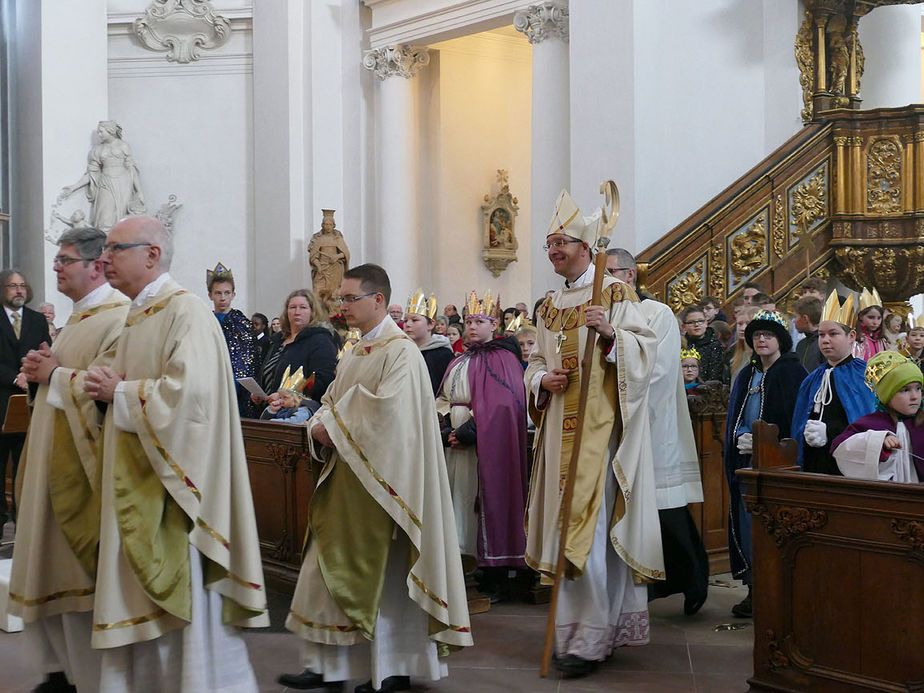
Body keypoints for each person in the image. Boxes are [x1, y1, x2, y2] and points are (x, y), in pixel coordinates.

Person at [77, 216, 268, 689]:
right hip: (137, 481)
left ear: (152, 255)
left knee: (187, 630)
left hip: (175, 490)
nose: (104, 259)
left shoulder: (186, 313)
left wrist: (121, 393)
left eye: (116, 249)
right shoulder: (136, 314)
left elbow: (193, 401)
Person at [280, 263, 472, 692]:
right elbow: (333, 398)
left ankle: (391, 667)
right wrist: (313, 415)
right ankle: (328, 666)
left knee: (382, 581)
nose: (342, 306)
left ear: (378, 300)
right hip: (347, 478)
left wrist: (333, 424)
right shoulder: (357, 349)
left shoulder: (400, 351)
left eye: (350, 299)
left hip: (386, 486)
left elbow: (389, 414)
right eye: (341, 299)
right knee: (326, 569)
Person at [525, 190, 662, 678]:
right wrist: (542, 380)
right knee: (570, 531)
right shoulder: (547, 307)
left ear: (587, 247)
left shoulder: (617, 295)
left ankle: (589, 639)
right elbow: (536, 359)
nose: (553, 250)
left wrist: (610, 336)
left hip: (597, 436)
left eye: (561, 241)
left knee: (590, 531)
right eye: (548, 244)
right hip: (559, 428)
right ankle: (578, 634)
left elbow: (647, 356)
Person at [11, 228, 130, 692]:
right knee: (48, 570)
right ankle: (59, 670)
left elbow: (108, 389)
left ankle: (88, 679)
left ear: (95, 265)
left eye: (64, 260)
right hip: (50, 459)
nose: (55, 268)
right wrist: (43, 372)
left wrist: (54, 373)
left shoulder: (118, 317)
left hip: (81, 471)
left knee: (77, 579)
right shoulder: (79, 318)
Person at [605, 247, 708, 616]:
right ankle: (646, 581)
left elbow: (662, 371)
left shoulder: (657, 313)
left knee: (666, 509)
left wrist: (624, 407)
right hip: (612, 427)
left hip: (650, 423)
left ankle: (695, 580)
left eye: (610, 272)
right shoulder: (602, 314)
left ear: (629, 276)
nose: (603, 281)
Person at [436, 291, 529, 600]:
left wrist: (469, 431)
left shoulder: (503, 358)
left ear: (493, 326)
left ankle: (493, 575)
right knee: (458, 502)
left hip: (481, 447)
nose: (472, 327)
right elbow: (443, 399)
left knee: (483, 503)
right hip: (455, 446)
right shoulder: (459, 359)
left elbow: (503, 404)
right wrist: (447, 427)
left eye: (480, 321)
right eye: (469, 321)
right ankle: (464, 565)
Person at [725, 310, 806, 618]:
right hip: (747, 463)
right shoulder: (747, 374)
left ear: (780, 340)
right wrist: (742, 435)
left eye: (768, 335)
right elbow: (737, 417)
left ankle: (779, 591)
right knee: (748, 526)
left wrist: (765, 442)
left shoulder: (792, 373)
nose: (761, 339)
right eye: (756, 335)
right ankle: (754, 588)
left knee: (775, 527)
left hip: (777, 466)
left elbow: (793, 421)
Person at [792, 291, 876, 475]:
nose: (826, 340)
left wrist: (830, 432)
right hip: (814, 460)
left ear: (851, 336)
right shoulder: (812, 378)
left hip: (845, 464)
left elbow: (866, 422)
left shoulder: (864, 375)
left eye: (833, 334)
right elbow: (800, 420)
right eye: (821, 335)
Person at [0, 268, 51, 527]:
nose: (19, 290)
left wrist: (29, 376)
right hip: (1, 401)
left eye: (22, 285)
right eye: (12, 286)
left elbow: (46, 352)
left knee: (25, 468)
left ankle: (24, 524)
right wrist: (15, 377)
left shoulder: (36, 320)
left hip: (29, 403)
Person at [832, 351, 924, 482]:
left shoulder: (922, 422)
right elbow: (841, 448)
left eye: (918, 388)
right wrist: (877, 440)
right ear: (887, 395)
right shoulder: (872, 423)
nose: (915, 396)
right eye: (905, 390)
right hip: (885, 496)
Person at [59, 120, 146, 230]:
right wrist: (73, 187)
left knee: (122, 218)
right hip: (105, 183)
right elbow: (91, 173)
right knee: (104, 217)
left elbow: (131, 169)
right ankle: (103, 245)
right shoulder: (97, 149)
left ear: (111, 130)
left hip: (124, 184)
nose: (99, 134)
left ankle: (119, 243)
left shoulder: (123, 146)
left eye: (101, 132)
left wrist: (139, 192)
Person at [260, 289, 338, 411]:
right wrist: (260, 395)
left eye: (303, 307)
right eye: (292, 307)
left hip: (296, 414)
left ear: (313, 312)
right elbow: (268, 373)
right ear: (286, 312)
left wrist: (285, 397)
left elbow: (324, 382)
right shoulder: (277, 341)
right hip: (267, 411)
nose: (297, 312)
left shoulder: (320, 340)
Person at [208, 263, 258, 418]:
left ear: (233, 295)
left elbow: (250, 360)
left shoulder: (242, 324)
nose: (222, 297)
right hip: (209, 382)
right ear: (210, 295)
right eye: (218, 293)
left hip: (235, 387)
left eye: (226, 293)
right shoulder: (205, 320)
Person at [404, 290, 454, 396]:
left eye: (414, 320)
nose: (407, 324)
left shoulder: (443, 354)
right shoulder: (403, 351)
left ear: (431, 324)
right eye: (405, 320)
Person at [307, 212, 350, 318]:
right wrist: (318, 265)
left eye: (330, 224)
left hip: (335, 269)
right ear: (322, 225)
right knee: (317, 292)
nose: (328, 227)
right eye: (325, 224)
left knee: (333, 294)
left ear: (333, 225)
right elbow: (314, 256)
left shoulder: (337, 238)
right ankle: (317, 315)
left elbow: (346, 253)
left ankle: (334, 316)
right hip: (322, 269)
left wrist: (337, 256)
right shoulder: (319, 239)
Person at [680, 305, 724, 381]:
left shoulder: (715, 344)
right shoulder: (681, 344)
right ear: (684, 326)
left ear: (706, 322)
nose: (696, 325)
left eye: (700, 321)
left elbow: (716, 374)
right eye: (691, 322)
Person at [855, 287, 888, 360]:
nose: (875, 322)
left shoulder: (882, 340)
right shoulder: (857, 339)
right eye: (871, 317)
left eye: (879, 318)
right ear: (861, 316)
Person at [793, 295, 824, 371]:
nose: (794, 321)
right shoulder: (801, 344)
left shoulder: (823, 343)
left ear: (805, 319)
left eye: (796, 316)